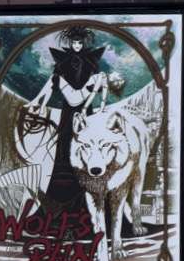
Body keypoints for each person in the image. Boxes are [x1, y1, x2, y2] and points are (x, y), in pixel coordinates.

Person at [18, 25, 117, 210]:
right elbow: (55, 83)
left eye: (79, 43)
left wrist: (99, 106)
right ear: (71, 43)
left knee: (85, 143)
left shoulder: (91, 62)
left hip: (83, 107)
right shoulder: (63, 61)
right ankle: (37, 103)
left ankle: (89, 193)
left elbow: (100, 90)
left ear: (83, 43)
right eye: (74, 43)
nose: (77, 46)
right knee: (65, 141)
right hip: (69, 109)